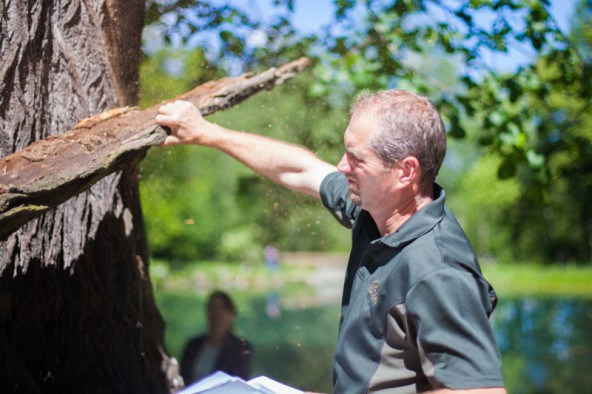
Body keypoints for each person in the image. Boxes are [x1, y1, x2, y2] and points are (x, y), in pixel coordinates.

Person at [156, 90, 506, 393]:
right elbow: (302, 170)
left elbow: (479, 391)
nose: (341, 166)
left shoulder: (438, 270)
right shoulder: (375, 211)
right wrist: (207, 133)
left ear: (405, 172)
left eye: (356, 158)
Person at [179, 290, 251, 385]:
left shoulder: (241, 347)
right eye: (213, 307)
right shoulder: (193, 345)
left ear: (231, 313)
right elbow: (183, 377)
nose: (217, 312)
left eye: (222, 308)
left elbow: (240, 381)